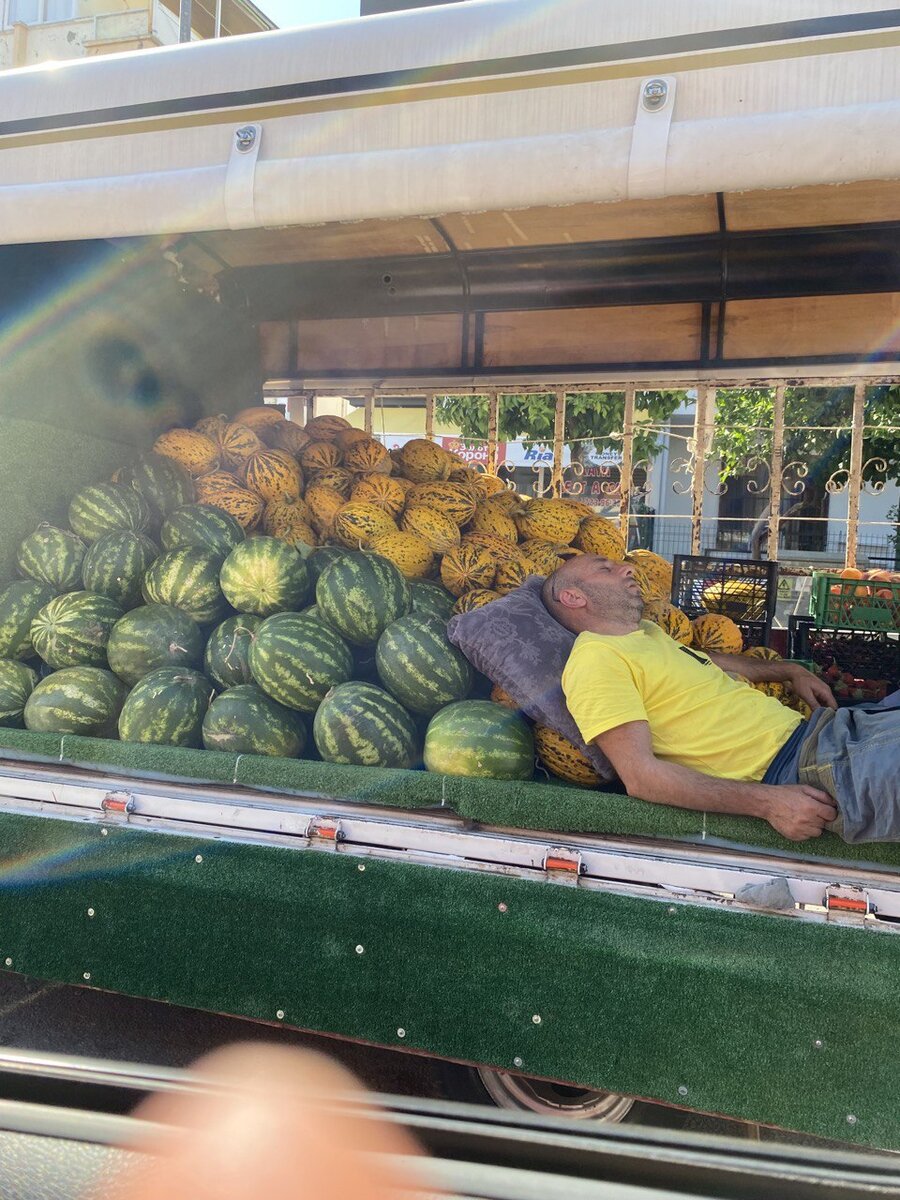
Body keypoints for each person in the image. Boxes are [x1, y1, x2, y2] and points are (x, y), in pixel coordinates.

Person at [544, 555, 899, 844]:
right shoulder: (595, 660)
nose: (628, 568)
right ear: (574, 597)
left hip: (832, 733)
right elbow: (642, 777)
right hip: (807, 766)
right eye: (605, 569)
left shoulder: (647, 635)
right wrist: (770, 804)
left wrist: (789, 671)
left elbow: (708, 662)